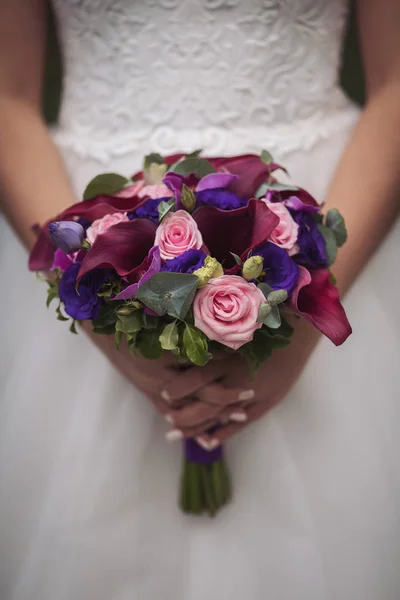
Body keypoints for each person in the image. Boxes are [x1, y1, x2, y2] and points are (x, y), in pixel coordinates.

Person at [0, 1, 399, 598]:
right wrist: (97, 306)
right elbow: (9, 93)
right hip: (85, 216)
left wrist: (309, 310)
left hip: (319, 217)